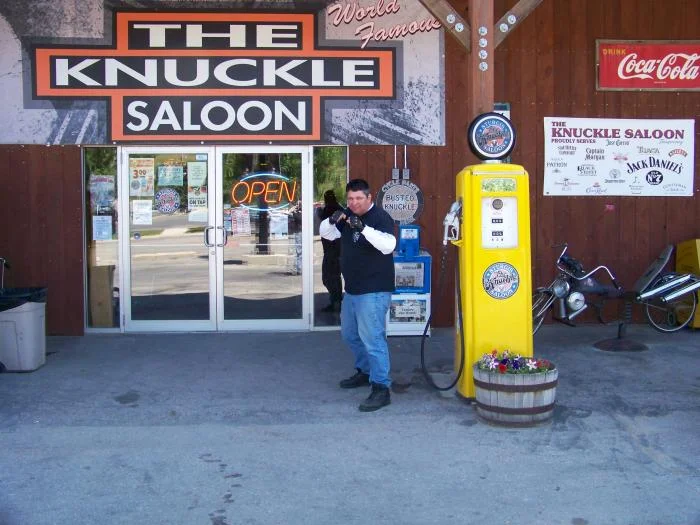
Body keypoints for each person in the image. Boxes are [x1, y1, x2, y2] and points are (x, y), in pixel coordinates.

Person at [319, 179, 396, 412]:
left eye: (358, 199)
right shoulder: (347, 214)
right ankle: (365, 372)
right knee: (350, 335)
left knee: (373, 340)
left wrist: (362, 228)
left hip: (373, 290)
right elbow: (327, 234)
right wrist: (331, 220)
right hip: (352, 290)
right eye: (350, 199)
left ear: (369, 198)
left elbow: (388, 245)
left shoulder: (379, 217)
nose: (354, 203)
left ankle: (381, 388)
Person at [317, 190, 343, 312]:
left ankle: (336, 302)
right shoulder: (338, 207)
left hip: (331, 249)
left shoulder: (330, 209)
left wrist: (320, 211)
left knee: (328, 278)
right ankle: (336, 302)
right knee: (334, 277)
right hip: (336, 248)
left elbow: (327, 218)